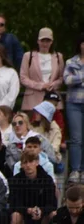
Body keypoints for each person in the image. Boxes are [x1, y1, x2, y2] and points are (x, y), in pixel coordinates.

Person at [9, 150, 57, 224]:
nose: (28, 165)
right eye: (25, 162)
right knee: (15, 216)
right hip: (24, 217)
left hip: (43, 217)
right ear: (21, 165)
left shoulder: (47, 179)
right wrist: (29, 210)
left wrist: (41, 210)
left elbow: (52, 204)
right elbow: (13, 204)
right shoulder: (16, 180)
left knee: (54, 215)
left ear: (37, 162)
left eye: (31, 161)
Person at [20, 28, 63, 112]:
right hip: (33, 100)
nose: (45, 43)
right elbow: (23, 77)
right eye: (42, 40)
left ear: (51, 42)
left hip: (53, 99)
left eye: (48, 41)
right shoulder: (28, 56)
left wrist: (53, 85)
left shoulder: (58, 56)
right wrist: (40, 85)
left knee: (54, 125)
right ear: (38, 41)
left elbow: (61, 77)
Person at [66, 34, 84, 184]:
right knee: (76, 139)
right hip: (74, 103)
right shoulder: (70, 61)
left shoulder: (74, 66)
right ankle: (75, 170)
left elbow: (74, 79)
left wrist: (78, 77)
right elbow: (67, 80)